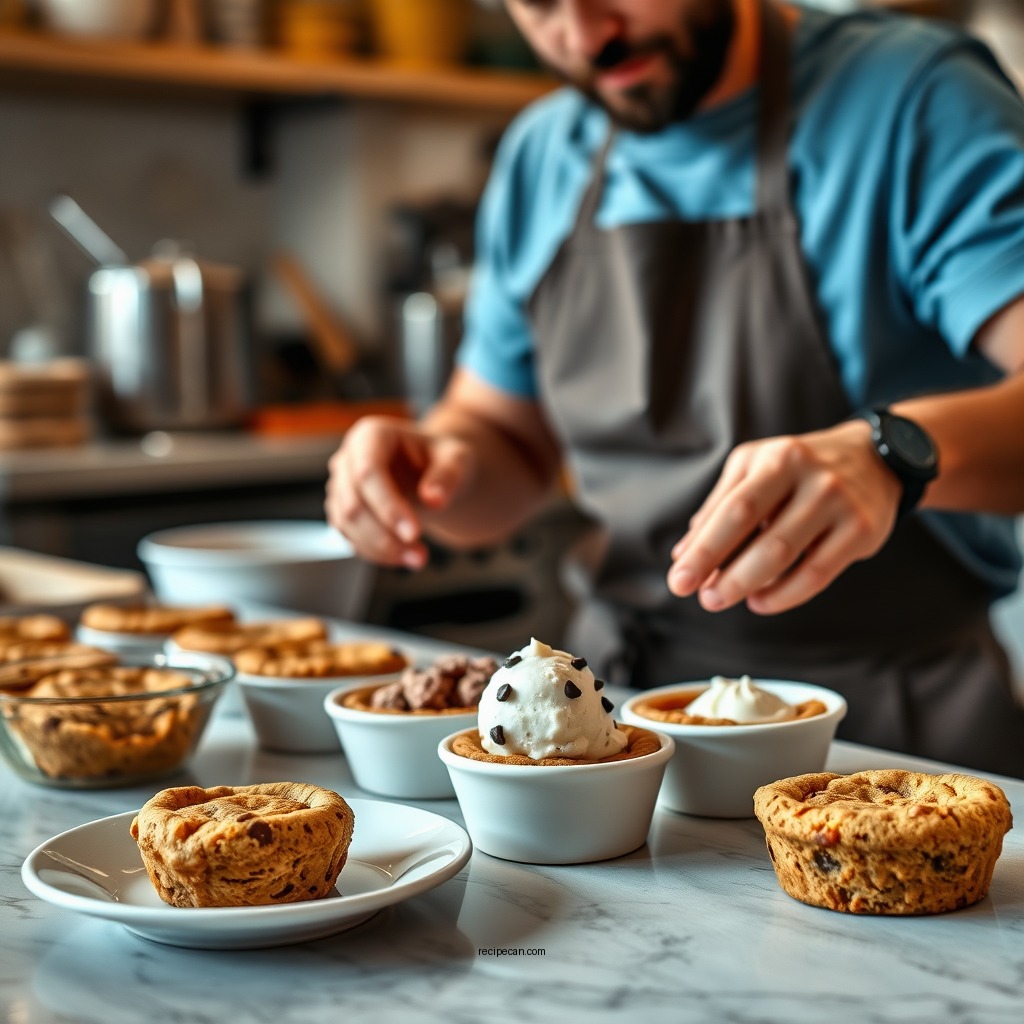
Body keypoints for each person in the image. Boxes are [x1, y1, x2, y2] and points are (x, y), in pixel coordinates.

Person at [325, 0, 1024, 777]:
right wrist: (431, 467)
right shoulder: (543, 154)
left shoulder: (911, 99)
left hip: (890, 731)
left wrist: (889, 455)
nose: (586, 35)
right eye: (540, 5)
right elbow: (502, 438)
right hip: (603, 725)